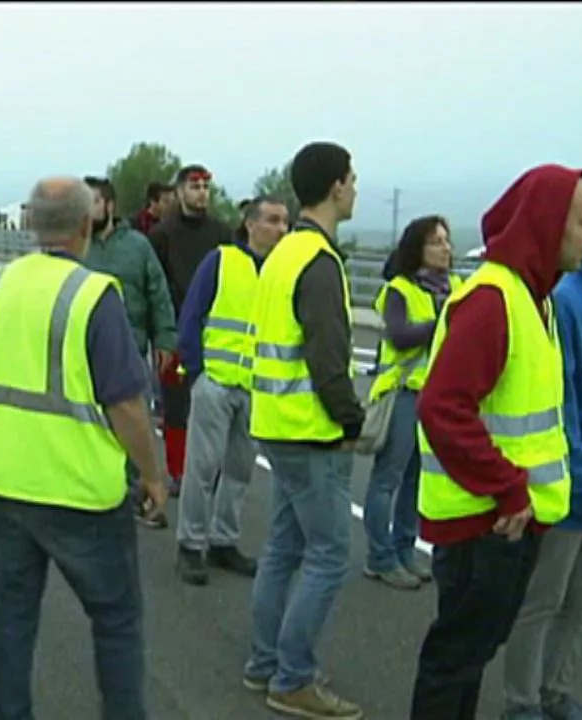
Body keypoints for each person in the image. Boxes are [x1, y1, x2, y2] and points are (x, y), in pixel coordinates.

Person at [0, 176, 168, 720]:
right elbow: (126, 405)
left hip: (5, 477)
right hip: (79, 487)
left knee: (14, 612)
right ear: (86, 224)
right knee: (116, 618)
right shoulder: (94, 295)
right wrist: (152, 475)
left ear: (30, 223)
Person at [410, 164, 582, 720]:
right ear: (548, 223)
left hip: (508, 520)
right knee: (453, 662)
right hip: (483, 522)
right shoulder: (494, 299)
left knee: (470, 658)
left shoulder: (535, 298)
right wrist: (509, 490)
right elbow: (442, 407)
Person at [242, 141, 364, 720]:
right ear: (336, 187)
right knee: (331, 554)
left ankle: (265, 662)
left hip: (275, 422)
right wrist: (351, 419)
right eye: (352, 180)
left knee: (284, 550)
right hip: (309, 430)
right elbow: (327, 356)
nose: (356, 189)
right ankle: (292, 678)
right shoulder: (319, 261)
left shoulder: (283, 253)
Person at [500, 242, 582, 720]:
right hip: (571, 486)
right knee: (544, 599)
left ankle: (555, 690)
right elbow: (563, 400)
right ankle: (522, 701)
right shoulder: (568, 300)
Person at [174, 195, 289, 585]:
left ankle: (223, 541)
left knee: (240, 470)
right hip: (217, 382)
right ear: (250, 224)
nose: (281, 229)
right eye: (272, 220)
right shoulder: (221, 260)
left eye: (284, 222)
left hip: (255, 387)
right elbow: (192, 316)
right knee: (202, 468)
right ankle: (190, 545)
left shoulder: (281, 271)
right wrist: (198, 372)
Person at [361, 215, 459, 591]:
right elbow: (400, 335)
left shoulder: (457, 287)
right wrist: (445, 321)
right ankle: (379, 557)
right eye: (436, 242)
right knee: (388, 478)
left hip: (436, 397)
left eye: (446, 241)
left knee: (416, 479)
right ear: (418, 249)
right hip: (403, 393)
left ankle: (404, 549)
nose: (445, 248)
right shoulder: (399, 289)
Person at [81, 175, 177, 529]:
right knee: (88, 429)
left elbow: (158, 294)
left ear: (109, 206)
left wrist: (165, 339)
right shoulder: (73, 246)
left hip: (131, 352)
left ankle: (137, 496)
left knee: (133, 425)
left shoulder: (138, 247)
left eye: (92, 201)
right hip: (79, 355)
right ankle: (93, 496)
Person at [147, 164, 233, 495]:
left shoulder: (222, 233)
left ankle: (213, 469)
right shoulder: (162, 235)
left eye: (206, 188)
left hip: (217, 333)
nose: (201, 193)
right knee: (176, 407)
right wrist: (162, 332)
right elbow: (155, 287)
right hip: (174, 332)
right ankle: (179, 470)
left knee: (214, 406)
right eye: (195, 187)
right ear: (181, 191)